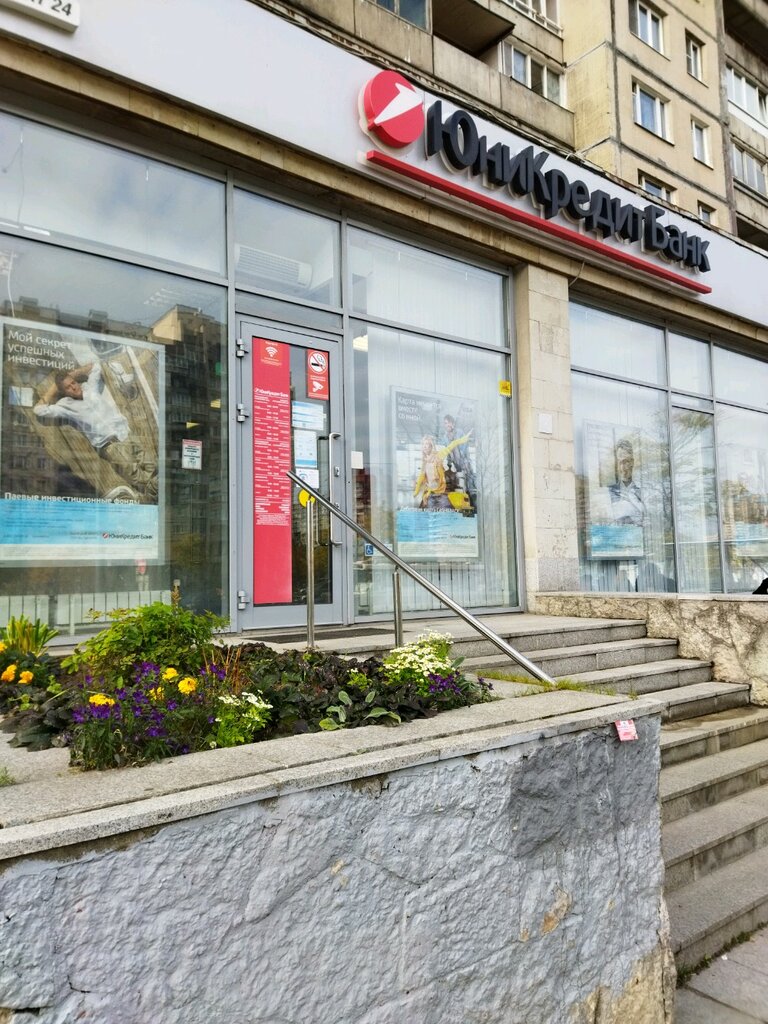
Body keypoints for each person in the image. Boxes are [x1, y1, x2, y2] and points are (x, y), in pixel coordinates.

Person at [34, 362, 158, 502]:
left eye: (73, 383)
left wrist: (74, 374)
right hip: (110, 445)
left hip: (126, 433)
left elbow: (96, 367)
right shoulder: (65, 406)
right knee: (138, 478)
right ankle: (149, 499)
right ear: (63, 392)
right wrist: (54, 388)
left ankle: (153, 494)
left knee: (153, 467)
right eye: (68, 387)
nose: (73, 387)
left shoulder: (89, 388)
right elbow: (39, 410)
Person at [413, 430, 472, 511]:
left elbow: (452, 445)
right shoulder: (425, 461)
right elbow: (421, 476)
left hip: (440, 493)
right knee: (427, 511)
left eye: (426, 444)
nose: (424, 446)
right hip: (430, 494)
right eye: (423, 444)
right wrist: (416, 491)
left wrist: (464, 439)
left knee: (446, 511)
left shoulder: (439, 455)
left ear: (431, 446)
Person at [440, 414, 477, 508]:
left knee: (469, 480)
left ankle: (473, 500)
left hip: (464, 461)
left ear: (453, 423)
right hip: (455, 463)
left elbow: (465, 445)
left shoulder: (459, 432)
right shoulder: (445, 437)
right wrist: (449, 463)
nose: (447, 425)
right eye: (445, 423)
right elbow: (447, 450)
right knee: (459, 483)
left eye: (449, 423)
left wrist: (464, 459)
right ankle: (465, 503)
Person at [607, 439, 645, 527]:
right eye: (619, 463)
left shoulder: (644, 490)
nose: (622, 468)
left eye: (625, 462)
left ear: (632, 462)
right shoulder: (609, 492)